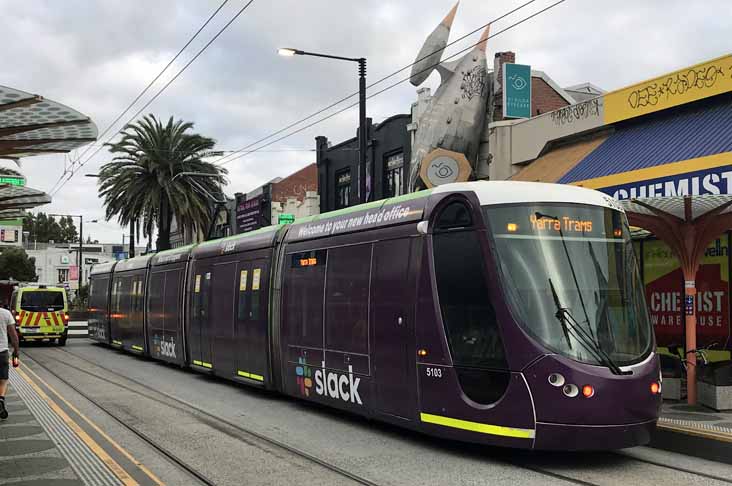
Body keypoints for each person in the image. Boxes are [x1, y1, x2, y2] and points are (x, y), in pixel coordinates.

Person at [0, 302, 20, 420]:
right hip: (2, 352)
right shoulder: (6, 313)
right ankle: (1, 399)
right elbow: (13, 335)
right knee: (3, 380)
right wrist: (16, 351)